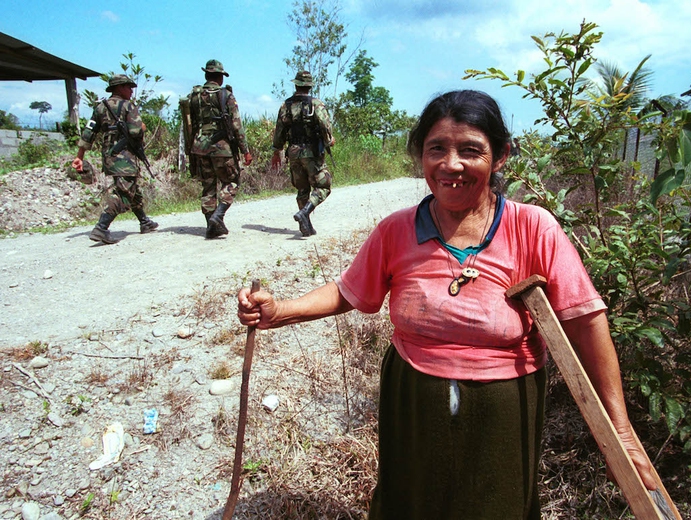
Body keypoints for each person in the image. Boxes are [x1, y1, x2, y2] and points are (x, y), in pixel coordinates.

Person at [238, 90, 657, 519]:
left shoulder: (533, 228)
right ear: (421, 156)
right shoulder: (396, 230)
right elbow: (349, 291)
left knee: (498, 510)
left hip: (503, 410)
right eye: (436, 149)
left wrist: (621, 433)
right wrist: (280, 311)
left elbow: (585, 322)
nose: (450, 165)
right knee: (409, 506)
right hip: (412, 400)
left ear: (500, 156)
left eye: (470, 151)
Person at [72, 74, 158, 244]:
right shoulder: (128, 106)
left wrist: (79, 156)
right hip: (125, 157)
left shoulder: (100, 108)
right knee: (123, 193)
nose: (131, 91)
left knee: (132, 189)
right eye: (128, 87)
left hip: (109, 155)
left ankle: (144, 221)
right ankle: (101, 227)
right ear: (119, 88)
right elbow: (135, 131)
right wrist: (142, 127)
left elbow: (88, 133)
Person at [187, 59, 252, 239]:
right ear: (220, 77)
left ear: (206, 75)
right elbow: (237, 125)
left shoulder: (194, 96)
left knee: (208, 186)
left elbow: (191, 124)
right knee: (232, 181)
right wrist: (245, 150)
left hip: (200, 147)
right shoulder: (226, 95)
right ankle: (218, 215)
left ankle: (211, 225)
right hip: (222, 148)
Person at [271, 71, 335, 237]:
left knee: (302, 189)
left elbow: (279, 131)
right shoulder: (316, 104)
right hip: (311, 152)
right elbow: (324, 124)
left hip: (293, 152)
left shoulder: (286, 106)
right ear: (309, 86)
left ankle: (306, 225)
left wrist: (277, 151)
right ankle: (305, 212)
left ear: (296, 85)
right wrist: (329, 140)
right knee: (323, 185)